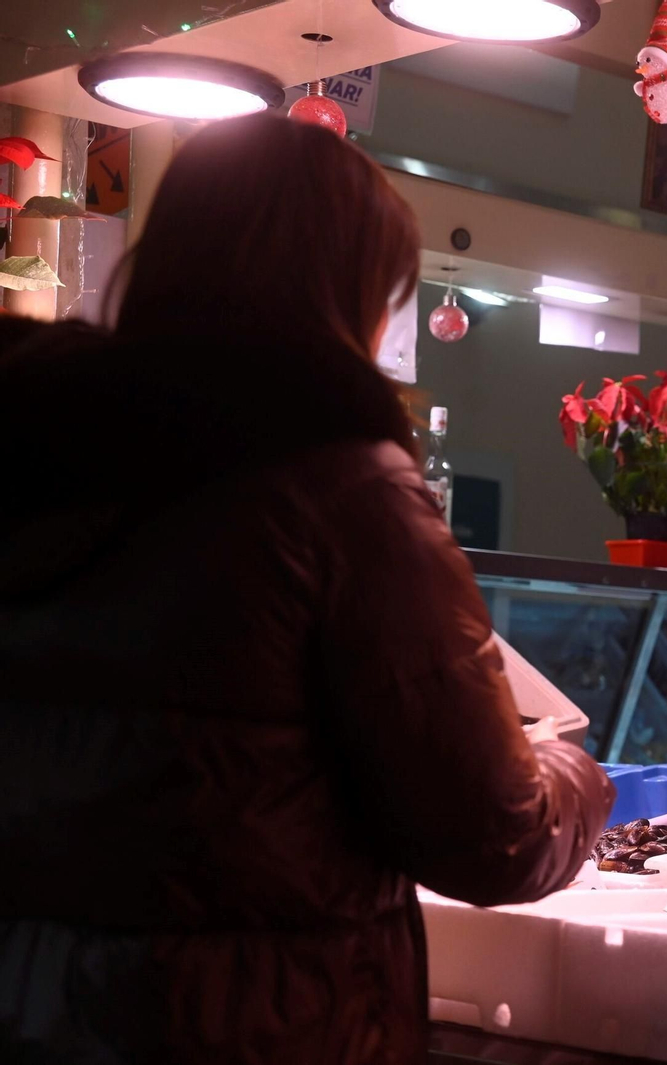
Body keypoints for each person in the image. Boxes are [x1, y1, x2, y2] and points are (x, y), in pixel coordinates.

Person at [0, 114, 613, 1063]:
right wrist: (578, 775)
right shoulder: (345, 490)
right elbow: (497, 835)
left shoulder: (39, 459)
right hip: (255, 1029)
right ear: (351, 292)